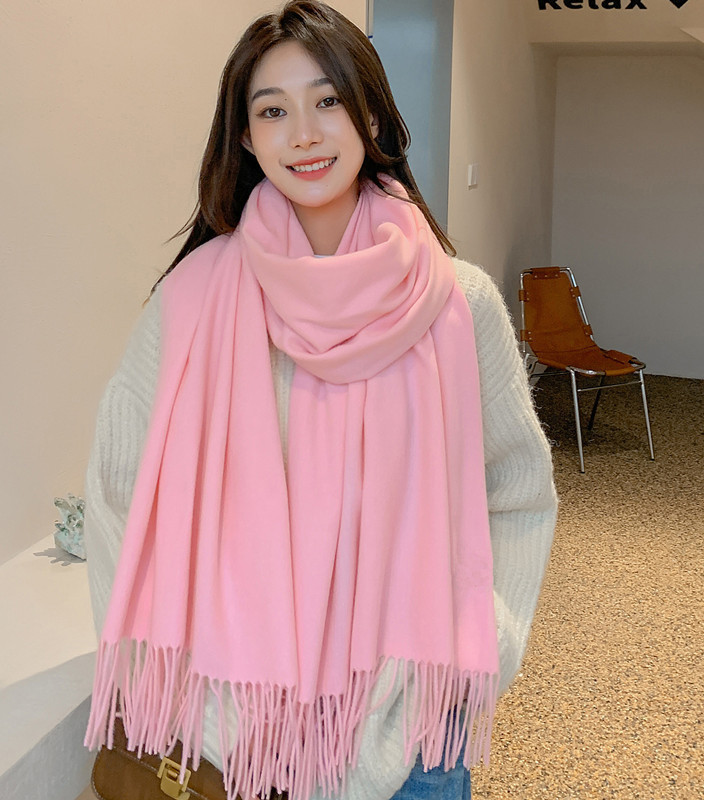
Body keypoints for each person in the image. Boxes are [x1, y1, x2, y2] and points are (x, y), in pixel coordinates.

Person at [83, 3, 558, 800]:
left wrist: (489, 642)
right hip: (232, 730)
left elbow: (515, 487)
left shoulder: (457, 302)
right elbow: (117, 491)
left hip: (412, 731)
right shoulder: (192, 302)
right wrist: (178, 684)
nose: (303, 134)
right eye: (273, 111)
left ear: (370, 115)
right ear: (245, 137)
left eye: (328, 100)